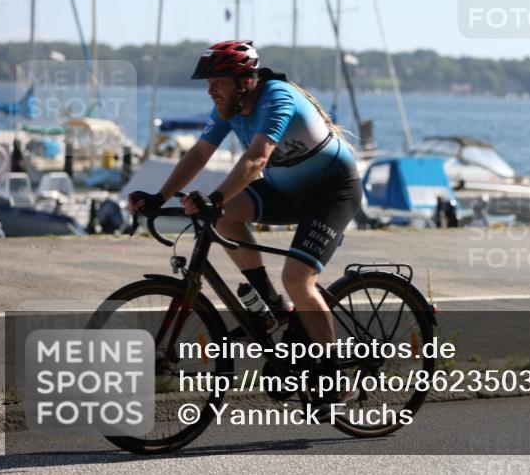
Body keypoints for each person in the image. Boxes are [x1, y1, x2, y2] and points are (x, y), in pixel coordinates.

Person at [129, 40, 363, 390]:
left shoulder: (276, 98)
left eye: (218, 82)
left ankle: (333, 378)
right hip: (287, 190)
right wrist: (158, 196)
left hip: (332, 191)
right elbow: (200, 153)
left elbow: (257, 159)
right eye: (208, 84)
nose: (211, 91)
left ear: (244, 81)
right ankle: (270, 302)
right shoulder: (229, 108)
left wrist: (217, 196)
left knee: (297, 279)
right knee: (222, 216)